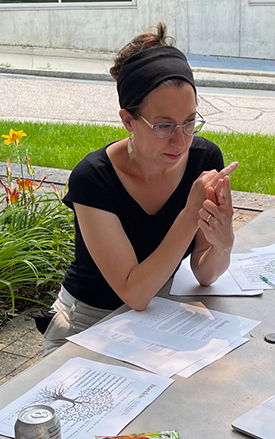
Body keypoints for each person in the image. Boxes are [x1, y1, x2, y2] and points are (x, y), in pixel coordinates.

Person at [42, 22, 238, 355]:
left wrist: (224, 241)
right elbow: (134, 293)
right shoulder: (93, 178)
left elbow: (205, 274)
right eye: (164, 126)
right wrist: (191, 215)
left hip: (157, 318)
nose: (180, 140)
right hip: (88, 324)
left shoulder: (204, 158)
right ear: (128, 121)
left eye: (190, 121)